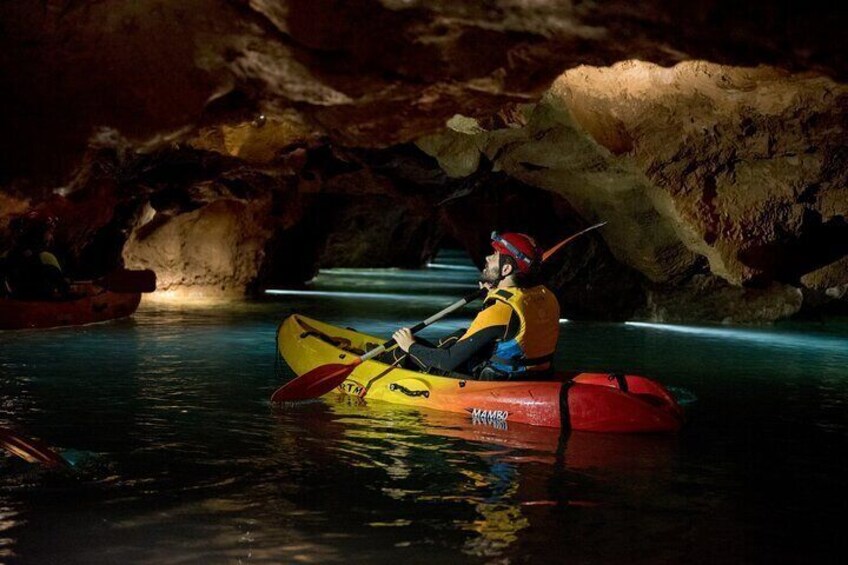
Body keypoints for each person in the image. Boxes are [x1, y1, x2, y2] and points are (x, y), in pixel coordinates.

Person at [389, 232, 561, 381]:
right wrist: (493, 294)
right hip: (536, 375)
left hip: (497, 382)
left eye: (494, 254)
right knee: (459, 336)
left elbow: (448, 361)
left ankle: (389, 360)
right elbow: (507, 332)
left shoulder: (500, 310)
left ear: (506, 268)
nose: (487, 258)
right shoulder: (547, 297)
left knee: (406, 353)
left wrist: (410, 345)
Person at [2, 214, 69, 300]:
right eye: (49, 232)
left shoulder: (6, 256)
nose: (51, 236)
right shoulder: (46, 258)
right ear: (39, 234)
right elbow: (63, 288)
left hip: (13, 308)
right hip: (43, 309)